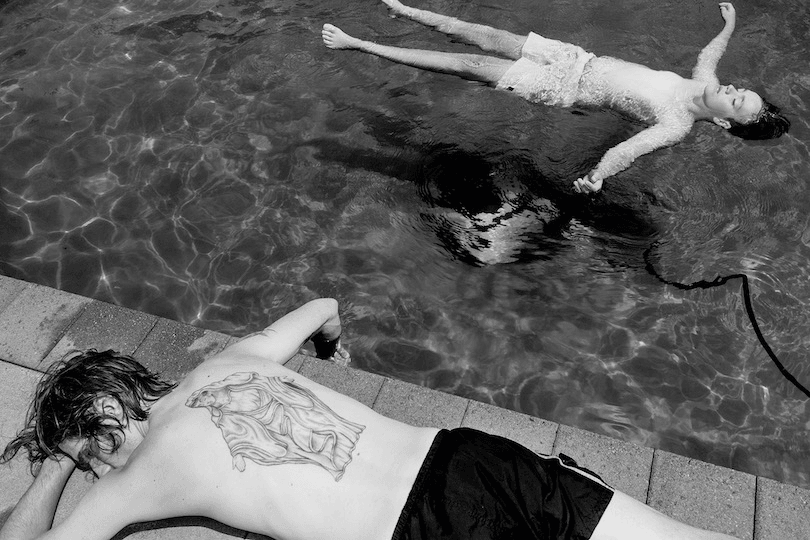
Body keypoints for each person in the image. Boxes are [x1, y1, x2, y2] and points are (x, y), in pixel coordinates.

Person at [1, 298, 741, 540]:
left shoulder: (144, 472)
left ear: (100, 416)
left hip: (425, 529)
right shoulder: (225, 364)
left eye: (91, 455)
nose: (99, 471)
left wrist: (60, 462)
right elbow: (323, 307)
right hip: (468, 457)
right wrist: (338, 352)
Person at [322, 1, 790, 194]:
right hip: (573, 57)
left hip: (561, 87)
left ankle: (360, 44)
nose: (731, 89)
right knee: (478, 33)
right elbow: (712, 51)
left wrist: (599, 177)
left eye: (736, 100)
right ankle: (404, 9)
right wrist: (728, 24)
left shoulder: (675, 125)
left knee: (465, 66)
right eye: (740, 90)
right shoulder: (703, 79)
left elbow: (628, 150)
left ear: (725, 122)